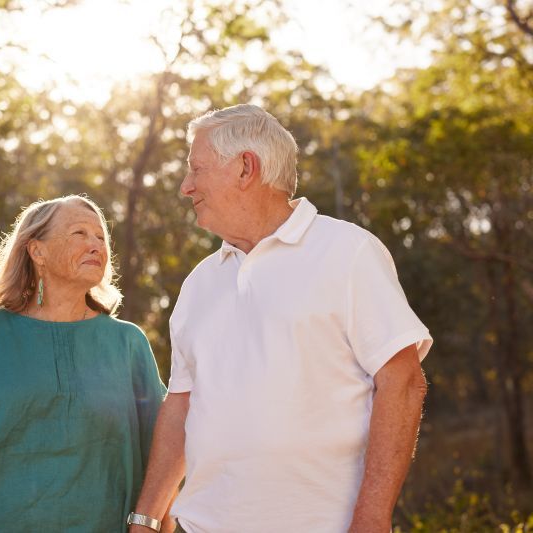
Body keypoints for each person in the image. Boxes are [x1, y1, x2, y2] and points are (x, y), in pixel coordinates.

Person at [127, 105, 433, 533]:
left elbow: (403, 382)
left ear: (245, 168)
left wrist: (371, 519)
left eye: (197, 169)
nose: (185, 186)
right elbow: (181, 405)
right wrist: (145, 518)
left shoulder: (348, 251)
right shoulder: (200, 282)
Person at [0, 194, 166, 532]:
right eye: (79, 234)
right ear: (37, 250)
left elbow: (164, 455)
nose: (95, 245)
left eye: (101, 236)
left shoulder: (128, 345)